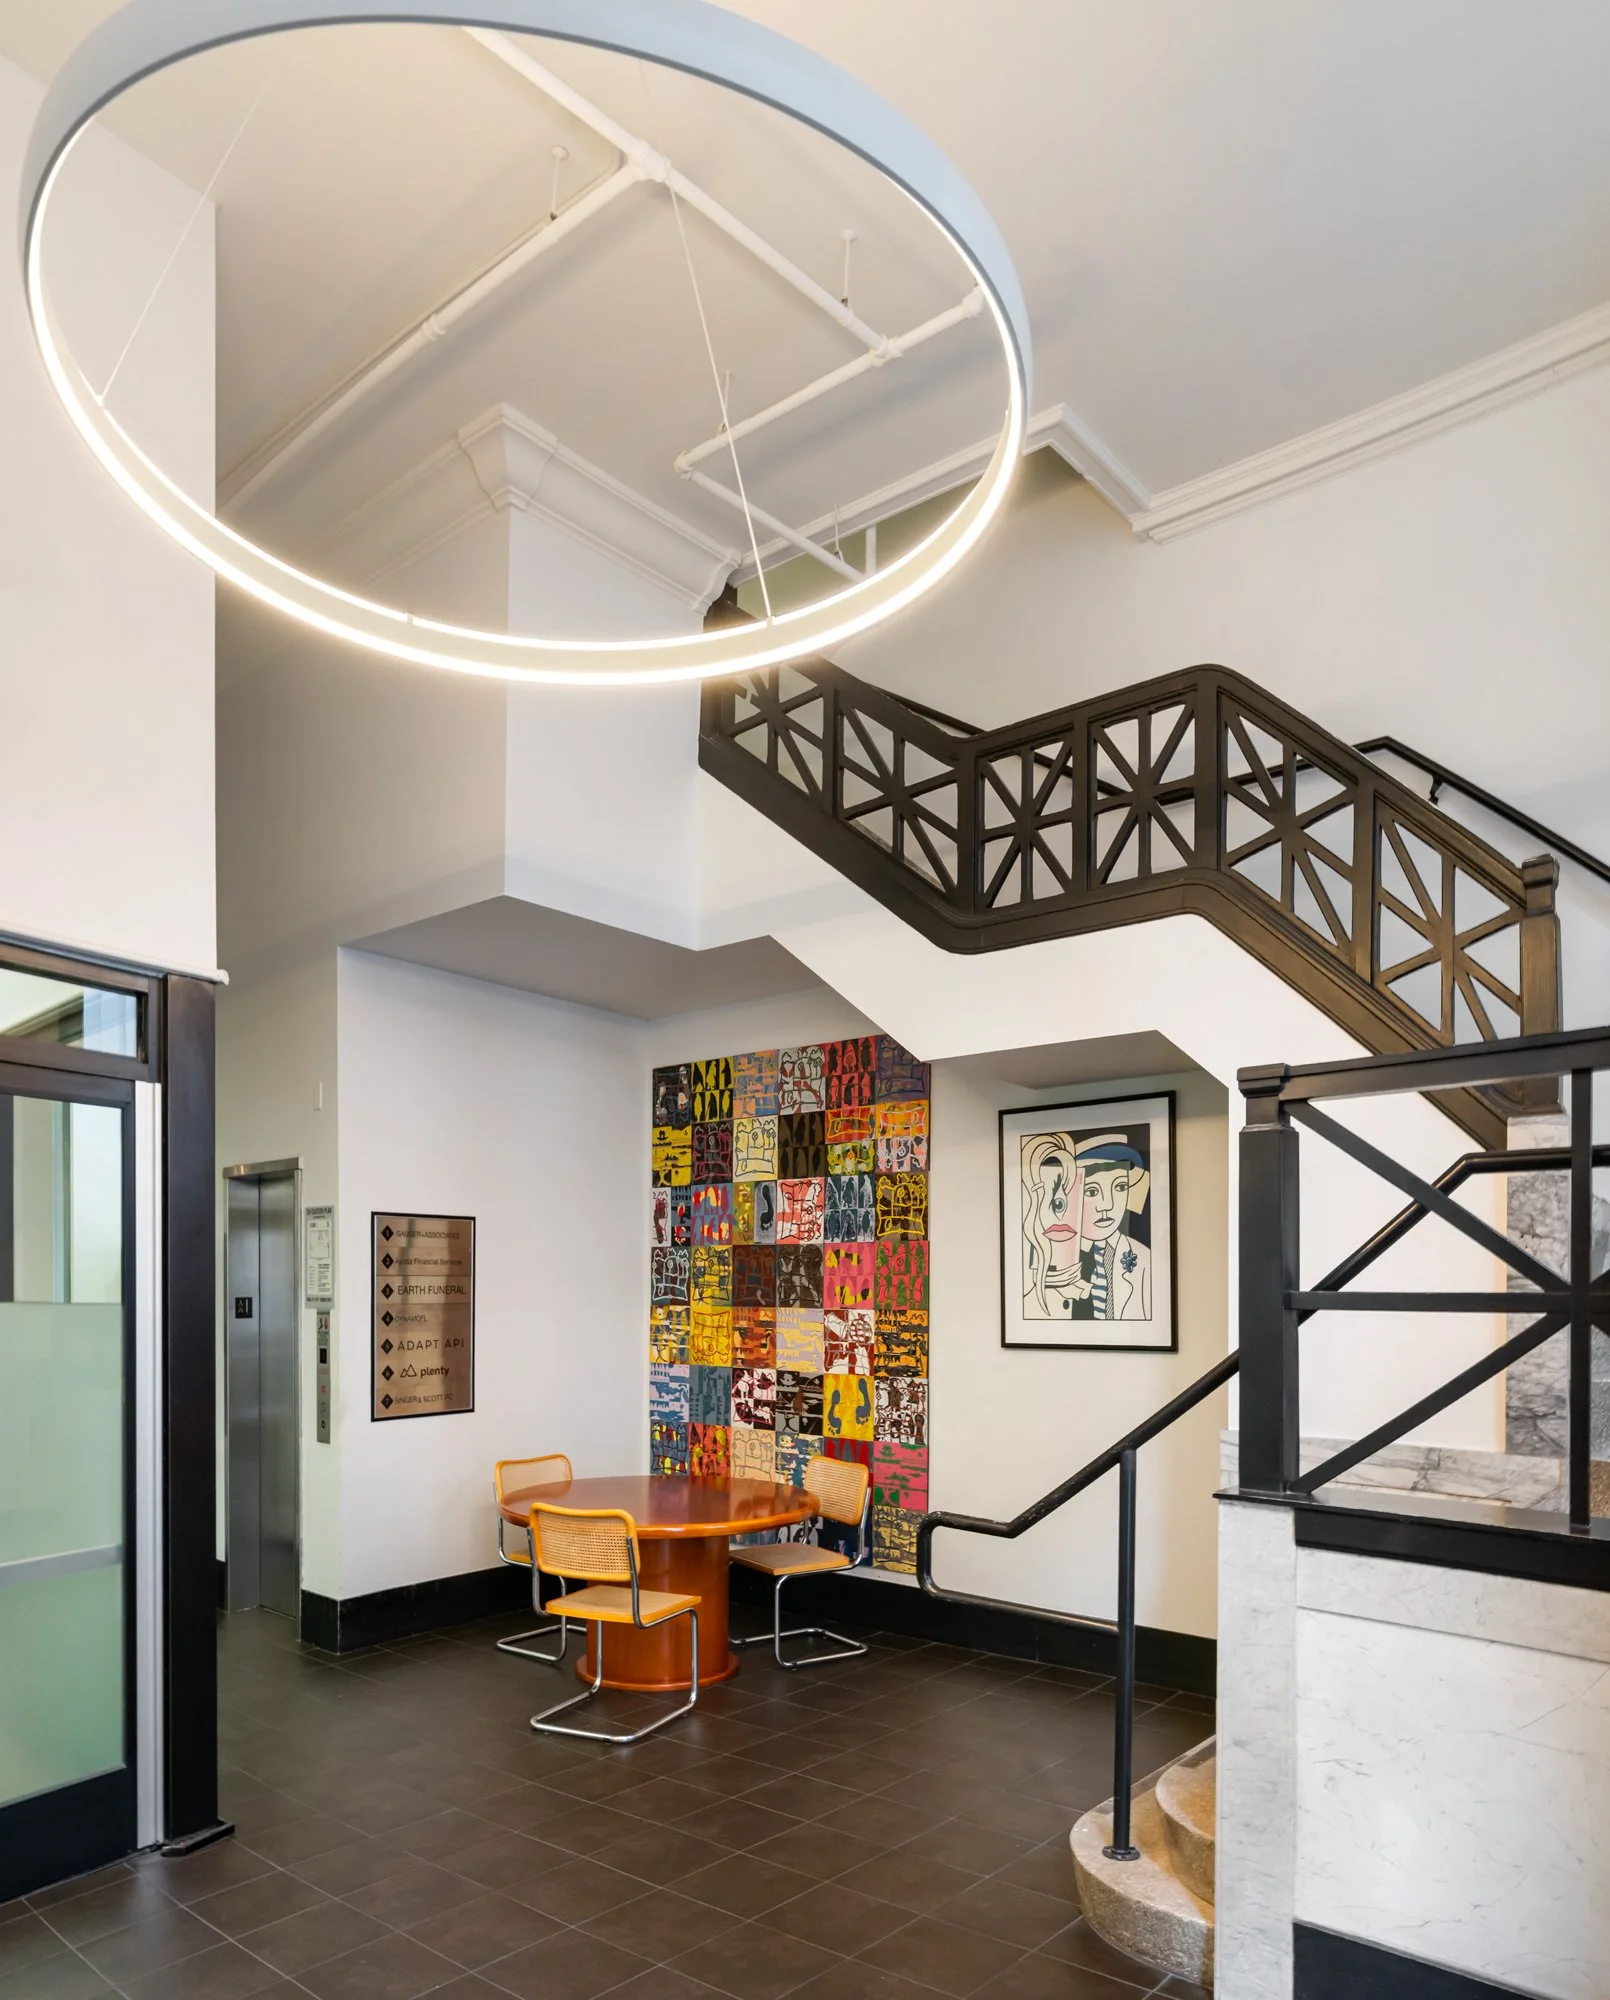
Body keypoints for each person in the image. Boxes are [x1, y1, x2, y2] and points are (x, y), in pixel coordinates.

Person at [1021, 1131, 1151, 1321]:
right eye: (1091, 1191)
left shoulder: (1143, 1259)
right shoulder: (1039, 1256)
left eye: (1120, 1187)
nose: (1107, 1205)